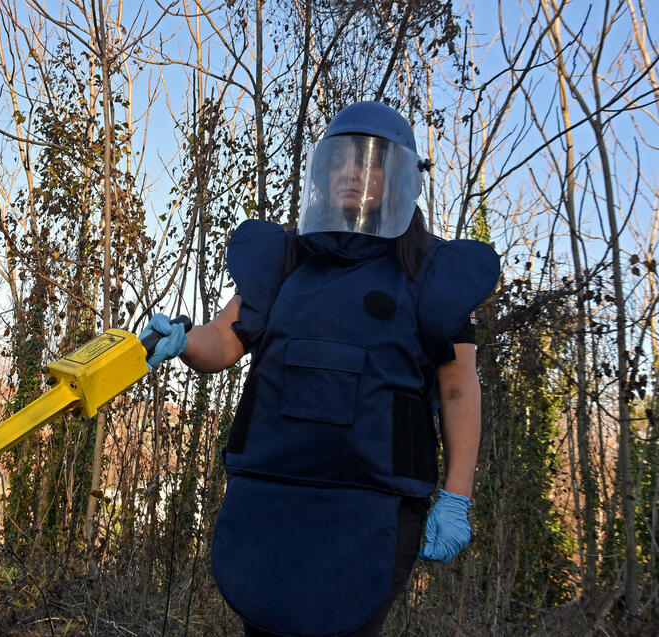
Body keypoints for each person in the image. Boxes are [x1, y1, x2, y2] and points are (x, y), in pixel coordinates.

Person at [140, 101, 500, 637]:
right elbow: (222, 341)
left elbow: (457, 390)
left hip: (373, 507)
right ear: (323, 171)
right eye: (342, 161)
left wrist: (457, 496)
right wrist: (181, 340)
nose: (353, 173)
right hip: (270, 494)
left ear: (398, 178)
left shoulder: (431, 272)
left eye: (371, 163)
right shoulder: (286, 258)